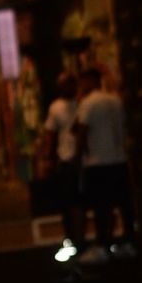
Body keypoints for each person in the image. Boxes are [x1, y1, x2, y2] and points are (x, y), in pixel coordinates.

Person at [75, 68, 136, 262]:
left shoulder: (88, 103)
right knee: (123, 204)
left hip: (98, 162)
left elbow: (82, 132)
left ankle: (103, 244)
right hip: (118, 159)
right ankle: (128, 242)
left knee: (101, 206)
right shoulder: (115, 101)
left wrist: (79, 157)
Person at [42, 71, 83, 262]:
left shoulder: (83, 103)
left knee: (80, 200)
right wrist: (49, 158)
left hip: (83, 158)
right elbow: (50, 134)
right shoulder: (56, 107)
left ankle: (80, 238)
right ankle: (72, 238)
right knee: (68, 201)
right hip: (66, 157)